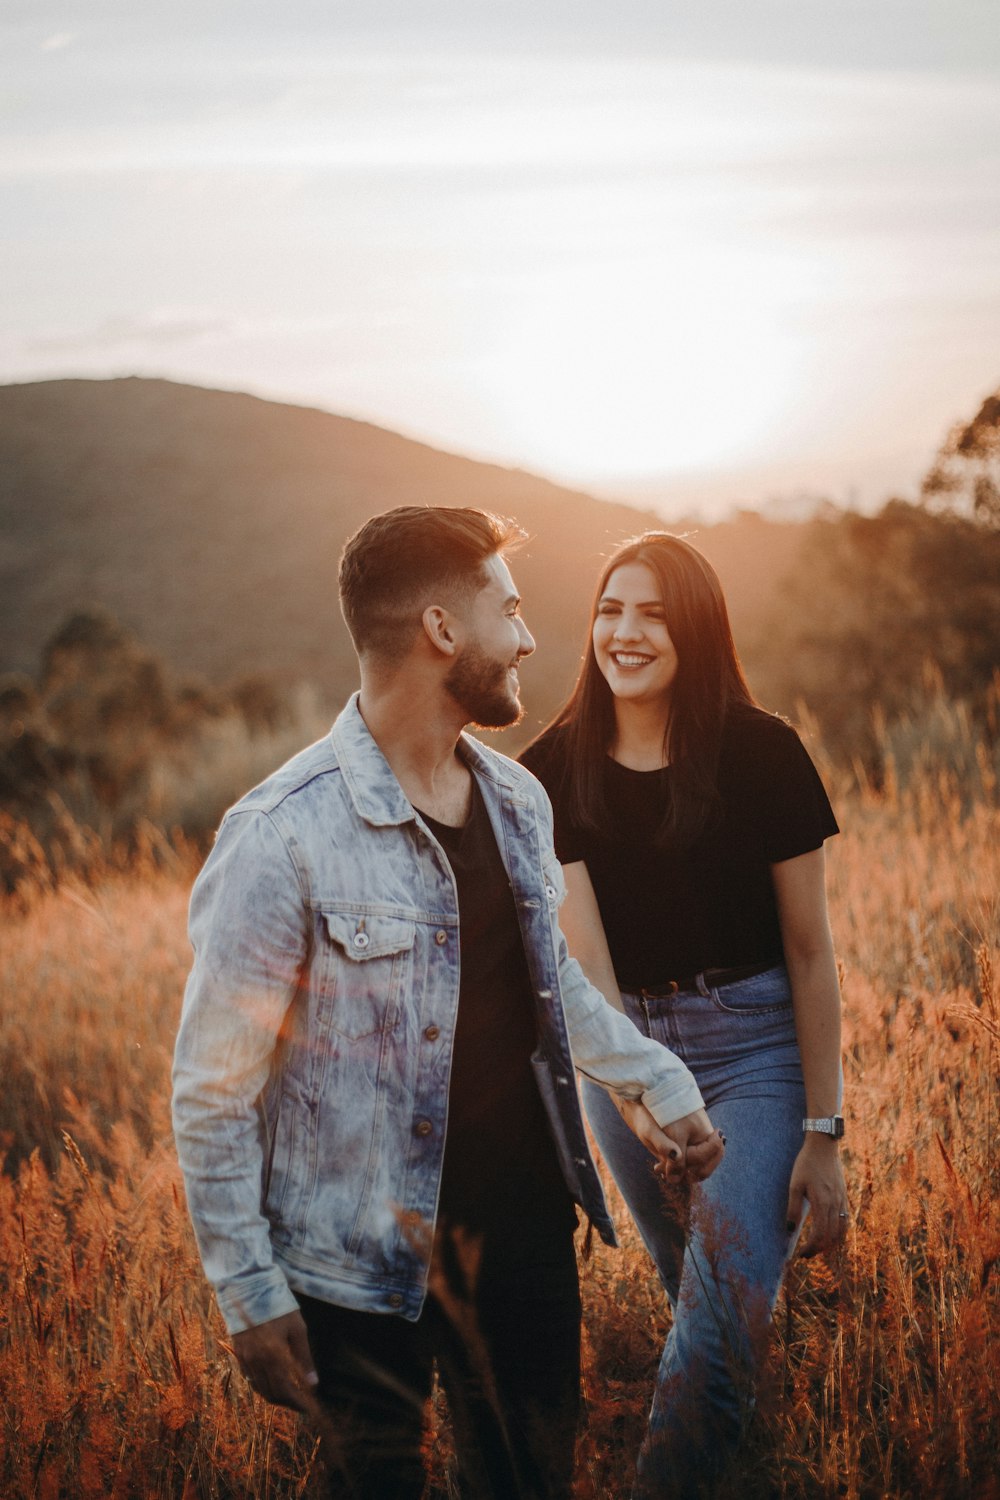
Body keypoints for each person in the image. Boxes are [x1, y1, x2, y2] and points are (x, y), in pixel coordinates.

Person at [172, 506, 725, 1500]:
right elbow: (210, 1090)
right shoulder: (278, 838)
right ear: (441, 631)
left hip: (525, 1249)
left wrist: (655, 1079)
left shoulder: (517, 802)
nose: (527, 638)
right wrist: (248, 1292)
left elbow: (547, 980)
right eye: (508, 611)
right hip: (353, 1270)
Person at [519, 531, 848, 1497]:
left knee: (715, 1311)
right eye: (610, 609)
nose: (625, 632)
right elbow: (591, 967)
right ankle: (750, 1452)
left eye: (653, 615)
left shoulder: (763, 752)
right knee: (699, 1296)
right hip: (624, 1052)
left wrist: (824, 1133)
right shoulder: (551, 770)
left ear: (695, 631)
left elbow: (810, 951)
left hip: (756, 1050)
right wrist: (632, 1097)